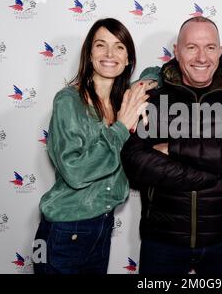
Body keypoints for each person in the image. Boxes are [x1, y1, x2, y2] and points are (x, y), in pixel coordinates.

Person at [121, 17, 222, 275]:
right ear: (176, 51)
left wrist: (173, 149)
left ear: (220, 51)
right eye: (191, 47)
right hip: (162, 242)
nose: (202, 57)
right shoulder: (153, 100)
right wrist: (215, 169)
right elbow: (135, 161)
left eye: (210, 47)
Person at [32, 18, 149, 274]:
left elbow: (158, 72)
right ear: (89, 53)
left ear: (128, 58)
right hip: (65, 229)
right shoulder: (68, 101)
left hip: (102, 225)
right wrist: (120, 127)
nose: (109, 54)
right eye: (101, 45)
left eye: (119, 47)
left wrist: (146, 84)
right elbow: (75, 171)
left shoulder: (124, 99)